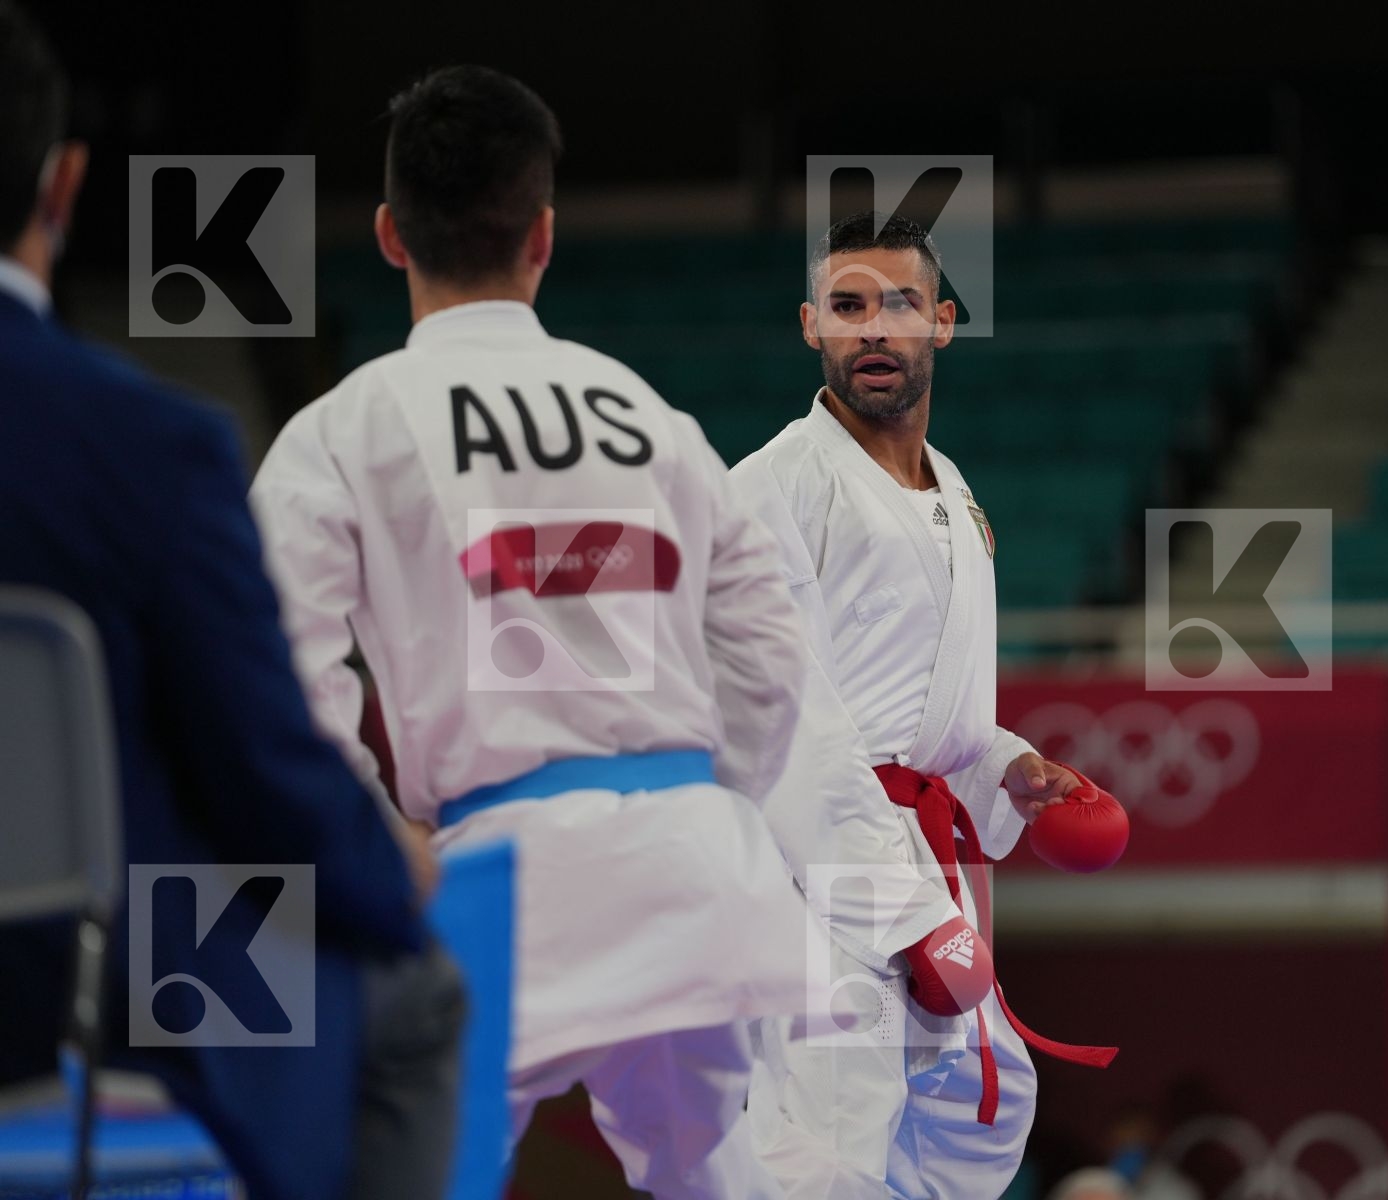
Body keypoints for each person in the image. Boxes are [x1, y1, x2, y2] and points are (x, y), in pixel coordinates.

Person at [248, 64, 829, 1199]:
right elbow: (770, 648)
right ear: (545, 236)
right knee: (711, 1174)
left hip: (495, 876)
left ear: (387, 235)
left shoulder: (342, 430)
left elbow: (279, 679)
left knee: (411, 1176)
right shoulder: (648, 414)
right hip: (694, 868)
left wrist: (372, 836)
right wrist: (714, 802)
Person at [0, 4, 463, 1198]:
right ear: (63, 185)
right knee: (415, 1000)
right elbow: (261, 770)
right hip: (82, 981)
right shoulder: (148, 445)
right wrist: (382, 863)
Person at [731, 211, 1115, 1200]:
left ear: (941, 323)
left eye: (897, 306)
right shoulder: (772, 489)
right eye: (847, 308)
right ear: (810, 324)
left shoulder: (953, 494)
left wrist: (1009, 767)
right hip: (818, 881)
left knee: (976, 1123)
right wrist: (905, 919)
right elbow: (784, 723)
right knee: (822, 1142)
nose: (871, 331)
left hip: (920, 857)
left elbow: (924, 710)